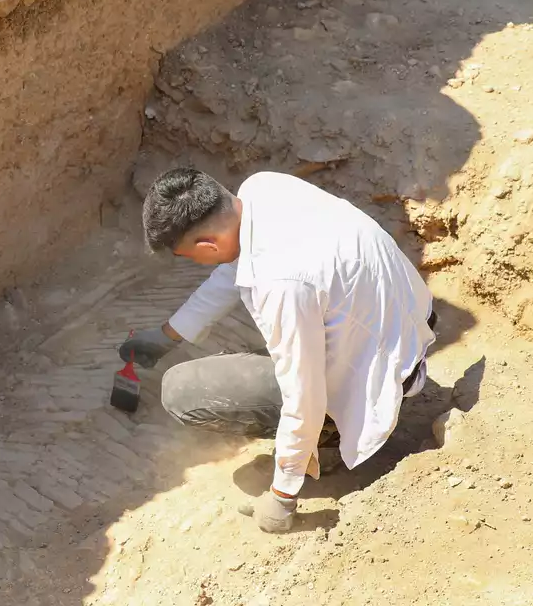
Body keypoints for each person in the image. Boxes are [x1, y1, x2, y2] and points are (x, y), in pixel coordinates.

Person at [118, 168, 437, 533]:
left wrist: (283, 493)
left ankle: (328, 437)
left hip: (380, 380)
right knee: (274, 348)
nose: (195, 262)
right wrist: (167, 335)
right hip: (406, 330)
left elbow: (304, 394)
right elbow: (232, 269)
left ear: (207, 245)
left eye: (189, 255)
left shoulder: (283, 284)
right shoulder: (263, 189)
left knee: (182, 391)